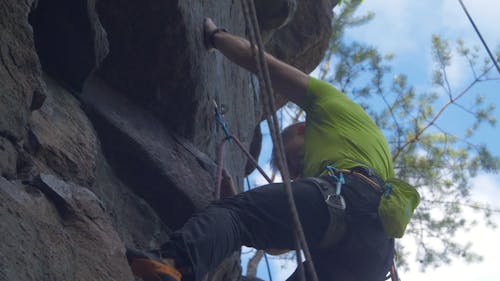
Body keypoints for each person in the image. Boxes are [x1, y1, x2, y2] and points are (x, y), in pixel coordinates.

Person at [126, 18, 408, 281]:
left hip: (347, 194)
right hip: (375, 257)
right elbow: (280, 236)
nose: (296, 175)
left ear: (300, 129)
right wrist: (241, 198)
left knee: (236, 215)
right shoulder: (372, 163)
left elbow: (266, 65)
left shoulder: (333, 106)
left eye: (291, 161)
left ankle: (173, 262)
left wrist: (215, 36)